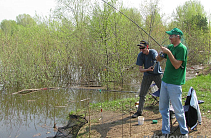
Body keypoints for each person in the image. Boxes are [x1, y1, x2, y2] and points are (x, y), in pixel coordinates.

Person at [156, 28, 189, 137]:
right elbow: (158, 59)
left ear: (178, 36)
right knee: (163, 108)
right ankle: (165, 132)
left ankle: (184, 132)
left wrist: (168, 52)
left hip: (175, 83)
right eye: (169, 36)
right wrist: (161, 54)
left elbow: (176, 65)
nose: (169, 37)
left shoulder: (182, 49)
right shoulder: (169, 47)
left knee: (178, 109)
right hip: (165, 81)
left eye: (171, 36)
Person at [132, 40, 162, 118]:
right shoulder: (140, 55)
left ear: (147, 47)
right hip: (147, 74)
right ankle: (139, 112)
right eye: (140, 49)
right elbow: (140, 69)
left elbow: (156, 58)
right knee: (142, 94)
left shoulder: (153, 52)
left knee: (164, 92)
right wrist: (147, 70)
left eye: (143, 48)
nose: (142, 50)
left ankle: (169, 110)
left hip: (157, 74)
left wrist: (158, 57)